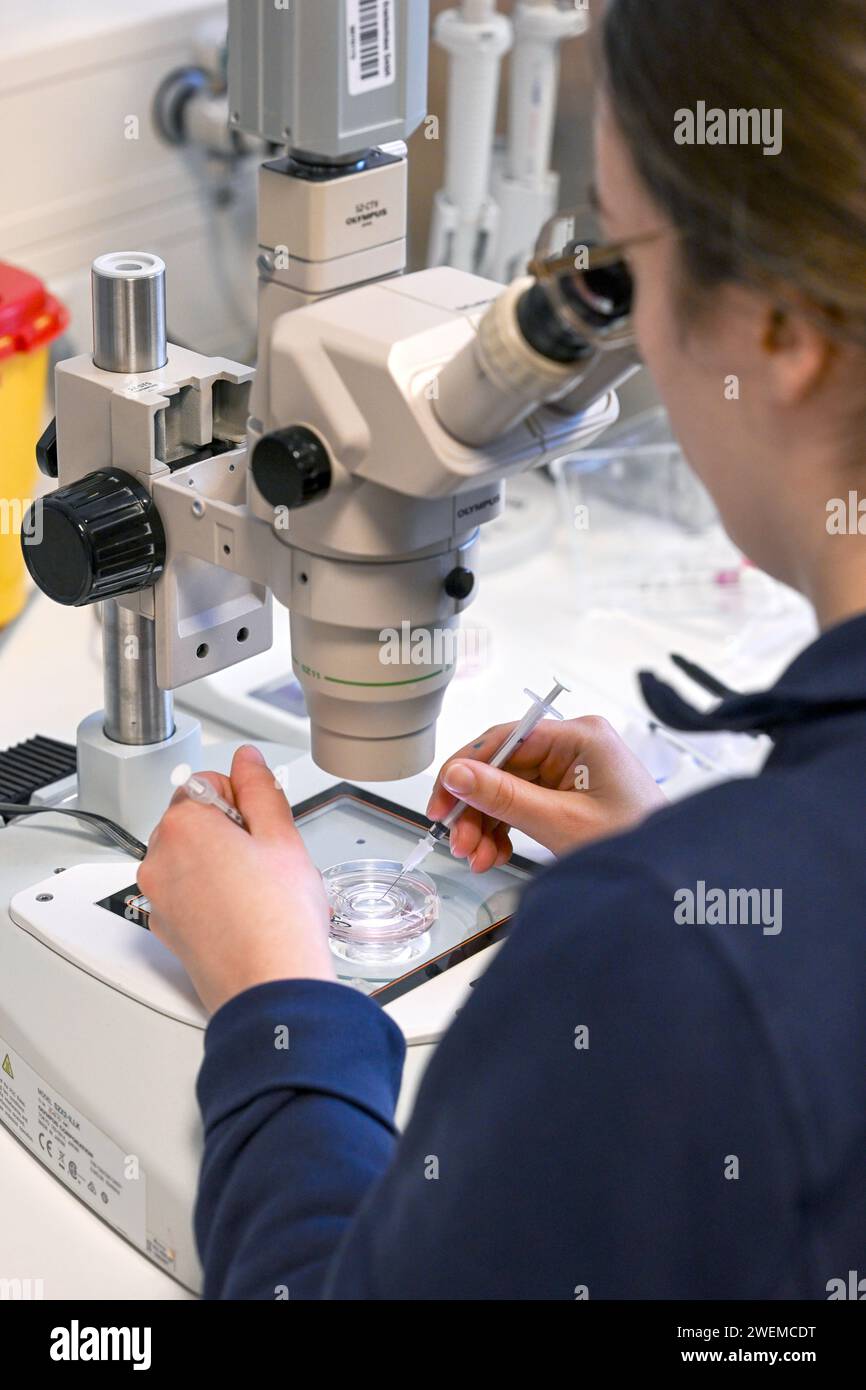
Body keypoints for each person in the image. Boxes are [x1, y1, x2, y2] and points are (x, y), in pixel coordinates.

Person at [138, 0, 866, 1299]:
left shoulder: (670, 966)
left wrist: (275, 1002)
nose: (607, 325)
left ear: (780, 329)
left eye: (617, 268)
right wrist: (701, 880)